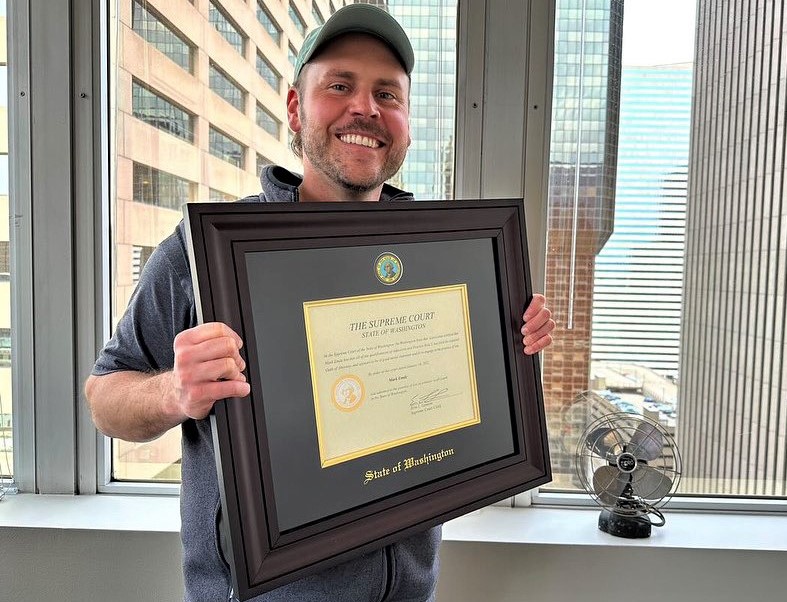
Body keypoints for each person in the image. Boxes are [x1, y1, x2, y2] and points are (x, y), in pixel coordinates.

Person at [85, 4, 555, 602]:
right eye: (340, 86)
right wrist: (174, 391)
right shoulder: (209, 253)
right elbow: (104, 399)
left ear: (406, 121)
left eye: (388, 93)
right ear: (294, 107)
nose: (366, 108)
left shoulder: (444, 251)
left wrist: (511, 339)